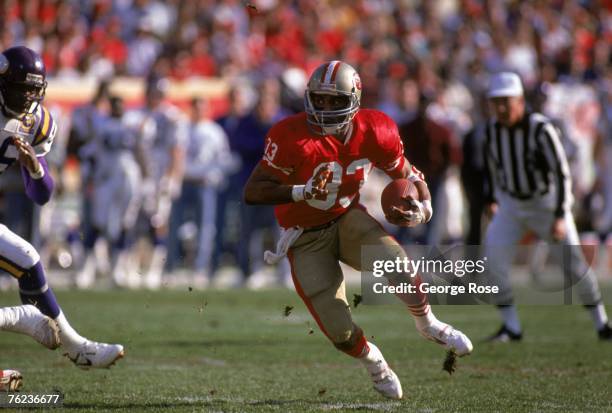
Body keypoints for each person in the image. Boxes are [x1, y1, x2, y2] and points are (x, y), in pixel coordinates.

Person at [243, 61, 473, 399]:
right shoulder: (289, 134)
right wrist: (302, 191)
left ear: (354, 99)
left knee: (396, 262)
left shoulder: (377, 129)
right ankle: (374, 361)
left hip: (347, 217)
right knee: (339, 330)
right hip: (304, 235)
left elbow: (407, 175)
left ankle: (428, 324)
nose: (324, 107)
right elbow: (253, 191)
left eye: (334, 101)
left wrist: (423, 207)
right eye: (318, 99)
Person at [0, 46, 124, 367]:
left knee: (27, 259)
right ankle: (18, 318)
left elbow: (42, 195)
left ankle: (76, 347)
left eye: (33, 90)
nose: (28, 98)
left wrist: (34, 168)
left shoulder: (35, 122)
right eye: (21, 88)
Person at [482, 72, 612, 341]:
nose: (502, 108)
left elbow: (561, 172)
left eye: (507, 101)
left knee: (574, 265)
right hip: (512, 206)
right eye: (497, 102)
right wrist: (494, 199)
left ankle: (602, 323)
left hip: (546, 204)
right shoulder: (493, 131)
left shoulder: (541, 128)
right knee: (492, 258)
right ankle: (511, 327)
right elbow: (494, 169)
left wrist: (560, 214)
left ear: (520, 101)